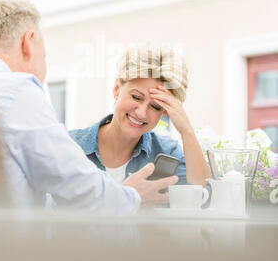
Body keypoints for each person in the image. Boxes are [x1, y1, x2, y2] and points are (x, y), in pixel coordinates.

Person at [0, 0, 178, 215]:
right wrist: (133, 196)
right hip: (17, 246)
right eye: (44, 56)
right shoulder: (16, 90)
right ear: (28, 42)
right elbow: (79, 187)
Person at [69, 44, 211, 186]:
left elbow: (204, 194)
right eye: (136, 97)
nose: (141, 113)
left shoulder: (166, 153)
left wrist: (186, 131)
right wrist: (128, 197)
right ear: (117, 88)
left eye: (155, 106)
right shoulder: (69, 146)